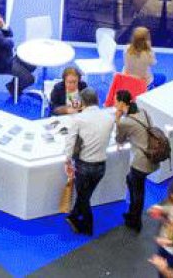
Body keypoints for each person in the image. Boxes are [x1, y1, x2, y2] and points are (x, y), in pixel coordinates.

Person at [64, 88, 114, 236]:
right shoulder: (108, 117)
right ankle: (73, 216)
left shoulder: (78, 119)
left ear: (82, 102)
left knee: (84, 198)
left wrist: (67, 160)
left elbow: (70, 142)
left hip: (85, 165)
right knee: (85, 195)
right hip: (101, 166)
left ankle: (87, 226)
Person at [113, 89, 158, 232]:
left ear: (121, 103)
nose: (114, 104)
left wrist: (117, 119)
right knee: (132, 182)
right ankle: (133, 214)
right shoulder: (143, 111)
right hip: (152, 157)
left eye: (115, 101)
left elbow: (119, 138)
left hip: (141, 162)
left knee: (137, 190)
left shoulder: (126, 122)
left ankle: (135, 220)